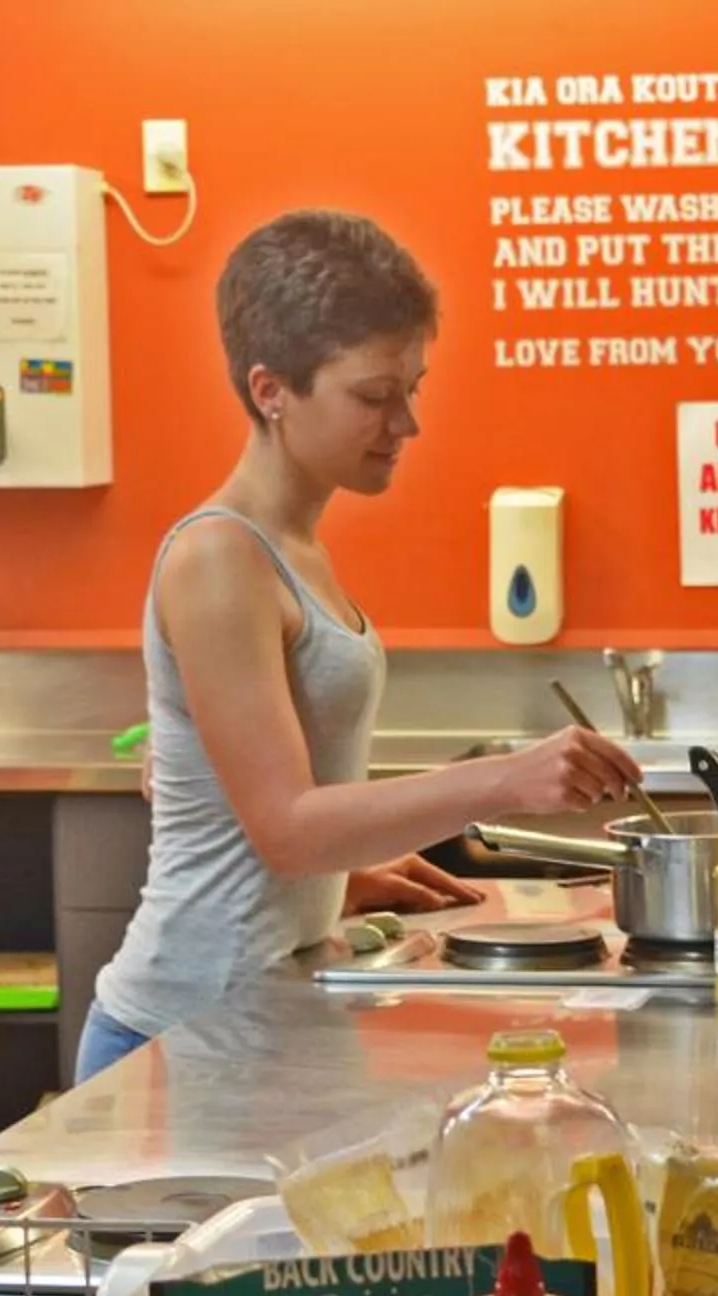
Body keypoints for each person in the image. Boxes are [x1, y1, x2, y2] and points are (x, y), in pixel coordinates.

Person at [80, 211, 639, 1083]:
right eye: (374, 396)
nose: (405, 422)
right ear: (271, 389)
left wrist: (344, 878)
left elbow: (270, 827)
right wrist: (509, 779)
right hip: (181, 1034)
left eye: (411, 387)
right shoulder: (220, 558)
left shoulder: (294, 548)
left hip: (258, 1014)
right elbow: (289, 831)